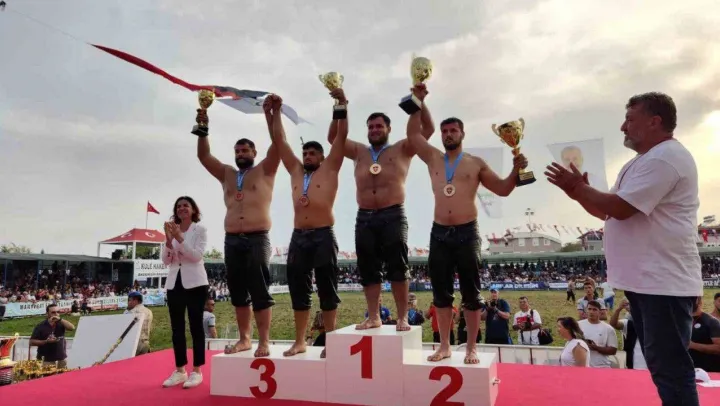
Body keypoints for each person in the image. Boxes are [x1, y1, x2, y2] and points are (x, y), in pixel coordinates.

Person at [545, 92, 703, 405]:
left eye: (630, 119)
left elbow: (620, 208)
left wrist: (579, 187)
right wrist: (579, 193)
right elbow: (606, 211)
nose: (623, 126)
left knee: (670, 369)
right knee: (662, 366)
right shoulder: (643, 162)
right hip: (648, 282)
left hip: (662, 282)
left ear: (654, 121)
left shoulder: (665, 158)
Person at [406, 84, 527, 364]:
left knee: (471, 294)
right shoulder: (433, 157)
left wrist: (515, 170)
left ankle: (471, 347)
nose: (448, 134)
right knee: (441, 294)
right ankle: (445, 346)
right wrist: (418, 101)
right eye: (444, 131)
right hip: (439, 233)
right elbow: (413, 135)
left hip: (467, 232)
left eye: (453, 130)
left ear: (462, 134)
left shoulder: (475, 163)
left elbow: (503, 189)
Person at [326, 86, 435, 332]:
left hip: (392, 213)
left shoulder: (402, 148)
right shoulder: (358, 151)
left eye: (379, 126)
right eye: (371, 127)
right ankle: (374, 316)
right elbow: (333, 138)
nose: (374, 130)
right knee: (368, 268)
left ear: (388, 129)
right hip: (364, 216)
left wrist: (421, 101)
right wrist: (340, 105)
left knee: (398, 267)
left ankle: (402, 317)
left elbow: (427, 129)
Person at [195, 96, 280, 358]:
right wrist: (203, 126)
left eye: (245, 151)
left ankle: (264, 341)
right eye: (237, 151)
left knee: (260, 292)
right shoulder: (227, 174)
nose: (241, 154)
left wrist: (271, 114)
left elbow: (278, 144)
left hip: (257, 238)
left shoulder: (266, 169)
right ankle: (244, 339)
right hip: (232, 239)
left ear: (254, 153)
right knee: (238, 293)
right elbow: (204, 155)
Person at [267, 93, 347, 358]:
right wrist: (275, 113)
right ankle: (300, 341)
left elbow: (341, 137)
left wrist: (341, 104)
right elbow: (280, 141)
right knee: (298, 290)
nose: (308, 156)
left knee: (327, 289)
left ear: (322, 156)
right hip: (299, 236)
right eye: (305, 153)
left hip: (323, 234)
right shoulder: (295, 171)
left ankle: (331, 341)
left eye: (313, 153)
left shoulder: (330, 168)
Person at [160, 196, 209, 389]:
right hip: (174, 282)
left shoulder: (200, 230)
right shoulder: (171, 230)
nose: (182, 209)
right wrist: (168, 239)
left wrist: (179, 238)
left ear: (193, 209)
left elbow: (196, 256)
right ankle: (180, 370)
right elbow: (166, 260)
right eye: (178, 206)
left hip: (196, 282)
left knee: (196, 326)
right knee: (177, 328)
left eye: (186, 206)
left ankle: (197, 370)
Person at [29, 304, 75, 368]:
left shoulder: (61, 323)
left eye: (58, 312)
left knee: (63, 374)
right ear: (47, 314)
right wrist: (46, 341)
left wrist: (60, 319)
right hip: (46, 360)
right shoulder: (40, 326)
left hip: (61, 359)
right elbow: (31, 342)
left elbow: (72, 328)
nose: (56, 314)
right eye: (53, 312)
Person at [609, 298, 647, 370]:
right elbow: (613, 323)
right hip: (633, 367)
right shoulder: (629, 324)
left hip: (652, 369)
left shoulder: (654, 326)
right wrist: (618, 309)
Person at [577, 300, 617, 368]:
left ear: (600, 312)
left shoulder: (608, 328)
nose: (591, 312)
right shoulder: (578, 325)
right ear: (586, 310)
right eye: (589, 309)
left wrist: (595, 348)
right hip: (582, 367)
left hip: (601, 367)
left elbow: (613, 350)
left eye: (594, 309)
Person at [688, 297, 720, 372]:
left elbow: (718, 348)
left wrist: (693, 345)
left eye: (693, 299)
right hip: (685, 369)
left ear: (700, 302)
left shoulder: (711, 321)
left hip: (708, 371)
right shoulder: (680, 320)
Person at [124, 291, 153, 355]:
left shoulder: (131, 312)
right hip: (146, 342)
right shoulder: (149, 311)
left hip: (134, 343)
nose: (128, 302)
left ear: (135, 300)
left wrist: (127, 309)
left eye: (130, 300)